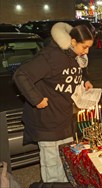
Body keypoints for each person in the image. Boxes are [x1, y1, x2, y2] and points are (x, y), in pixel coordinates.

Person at [13, 22, 94, 182]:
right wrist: (36, 99)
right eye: (84, 47)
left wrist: (84, 81)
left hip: (64, 117)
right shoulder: (51, 56)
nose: (87, 51)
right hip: (47, 119)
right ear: (72, 42)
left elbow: (69, 74)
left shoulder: (75, 56)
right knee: (52, 167)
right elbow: (21, 75)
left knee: (67, 161)